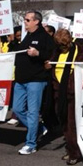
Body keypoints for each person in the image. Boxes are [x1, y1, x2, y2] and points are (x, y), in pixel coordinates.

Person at [48, 29, 83, 164]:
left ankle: (75, 153)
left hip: (77, 93)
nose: (63, 47)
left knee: (72, 124)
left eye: (65, 44)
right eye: (60, 45)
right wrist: (48, 66)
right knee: (64, 122)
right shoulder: (56, 52)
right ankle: (71, 149)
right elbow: (52, 65)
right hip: (60, 93)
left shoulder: (82, 51)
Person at [11, 10, 55, 155]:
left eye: (28, 20)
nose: (25, 22)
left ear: (36, 21)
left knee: (33, 112)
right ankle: (39, 128)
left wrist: (38, 54)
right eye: (25, 20)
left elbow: (52, 55)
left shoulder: (44, 37)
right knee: (17, 109)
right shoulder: (26, 36)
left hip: (36, 79)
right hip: (21, 79)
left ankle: (31, 143)